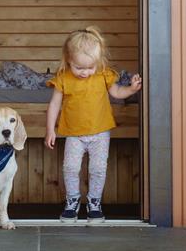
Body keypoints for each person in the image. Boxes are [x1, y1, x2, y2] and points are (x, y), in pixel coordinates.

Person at [44, 26, 141, 223]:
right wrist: (50, 130)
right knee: (70, 168)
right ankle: (72, 202)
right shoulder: (63, 77)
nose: (85, 72)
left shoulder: (103, 74)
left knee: (98, 169)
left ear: (97, 62)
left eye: (90, 67)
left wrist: (131, 89)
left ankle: (94, 204)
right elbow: (54, 104)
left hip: (100, 132)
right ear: (69, 60)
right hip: (73, 133)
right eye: (79, 68)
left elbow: (116, 93)